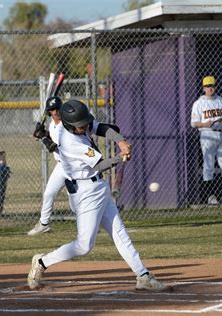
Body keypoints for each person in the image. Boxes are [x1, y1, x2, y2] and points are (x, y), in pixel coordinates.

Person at [27, 99, 169, 292]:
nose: (85, 127)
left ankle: (143, 275)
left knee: (120, 234)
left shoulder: (79, 125)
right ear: (70, 126)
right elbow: (100, 164)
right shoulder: (70, 142)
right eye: (80, 126)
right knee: (84, 246)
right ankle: (42, 262)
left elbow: (101, 127)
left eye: (85, 123)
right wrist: (121, 157)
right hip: (85, 194)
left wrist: (121, 140)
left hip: (99, 186)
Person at [190, 76, 222, 205]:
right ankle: (211, 197)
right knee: (209, 166)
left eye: (211, 85)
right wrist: (205, 124)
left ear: (215, 86)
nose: (210, 88)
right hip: (207, 135)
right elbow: (193, 123)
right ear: (203, 88)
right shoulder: (199, 103)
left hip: (221, 135)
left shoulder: (221, 101)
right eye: (207, 86)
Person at [28, 96, 66, 236]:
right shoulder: (52, 124)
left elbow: (53, 147)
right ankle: (44, 224)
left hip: (73, 166)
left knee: (76, 201)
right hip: (61, 166)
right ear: (49, 112)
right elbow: (52, 137)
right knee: (49, 193)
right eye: (52, 110)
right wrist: (42, 133)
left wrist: (43, 137)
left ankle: (91, 223)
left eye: (57, 109)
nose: (55, 112)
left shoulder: (67, 125)